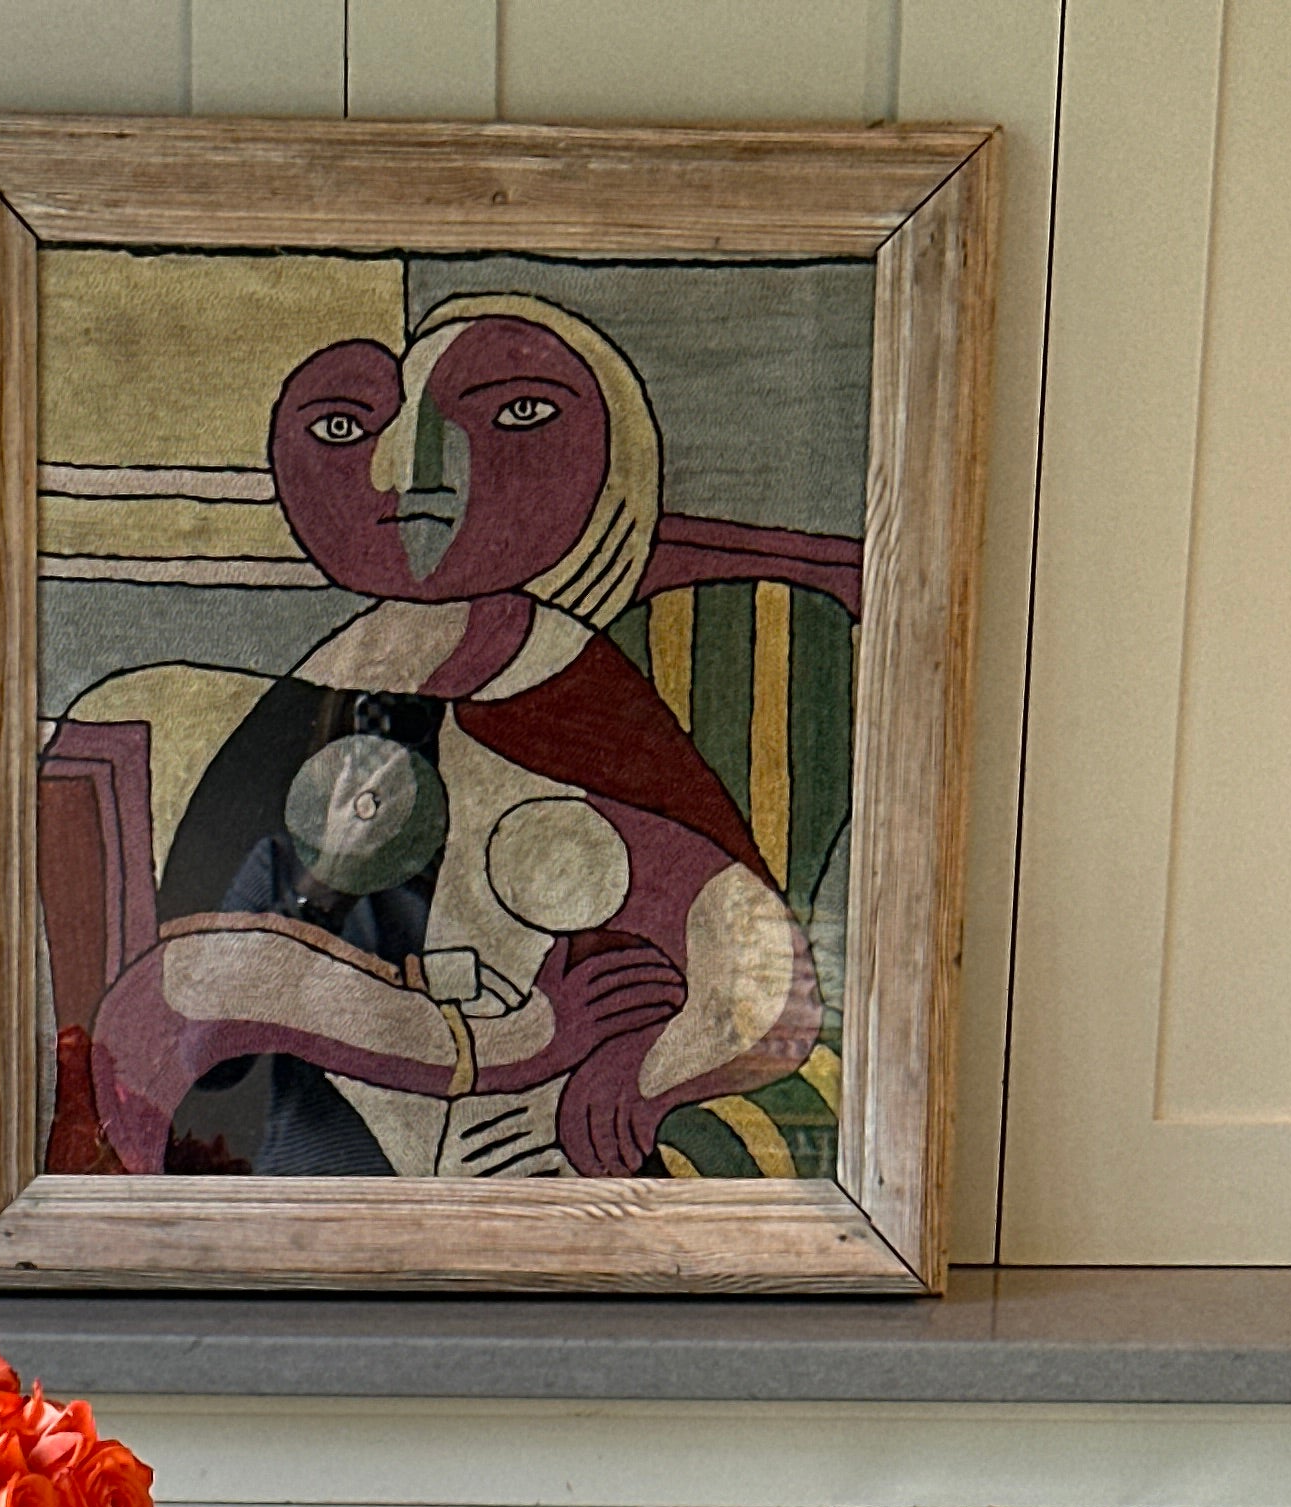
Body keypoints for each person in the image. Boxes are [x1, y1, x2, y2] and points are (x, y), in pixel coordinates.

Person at [82, 295, 825, 1181]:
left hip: (539, 1157)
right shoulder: (320, 694)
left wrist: (647, 1072)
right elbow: (185, 997)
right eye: (344, 428)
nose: (410, 474)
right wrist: (512, 1039)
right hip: (328, 1142)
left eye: (516, 415)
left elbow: (758, 966)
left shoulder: (575, 690)